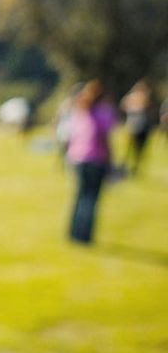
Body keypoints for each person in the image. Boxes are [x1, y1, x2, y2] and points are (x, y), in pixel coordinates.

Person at [65, 79, 117, 246]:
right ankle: (84, 237)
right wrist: (110, 161)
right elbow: (105, 139)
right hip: (95, 159)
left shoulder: (79, 110)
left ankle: (74, 233)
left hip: (77, 158)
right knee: (90, 199)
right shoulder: (103, 113)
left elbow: (70, 135)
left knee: (80, 196)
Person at [120, 79, 155, 175]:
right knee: (130, 148)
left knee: (138, 148)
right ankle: (126, 165)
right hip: (134, 126)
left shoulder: (145, 98)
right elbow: (124, 105)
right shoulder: (133, 97)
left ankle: (134, 166)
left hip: (141, 126)